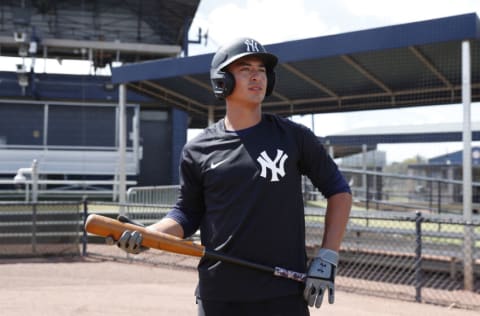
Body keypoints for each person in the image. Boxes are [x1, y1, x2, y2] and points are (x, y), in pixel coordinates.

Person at [114, 37, 352, 316]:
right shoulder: (197, 149)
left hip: (284, 293)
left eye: (261, 70)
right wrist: (148, 236)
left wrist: (327, 257)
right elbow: (186, 214)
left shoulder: (294, 137)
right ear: (222, 82)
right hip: (219, 297)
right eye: (244, 69)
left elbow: (339, 192)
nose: (256, 76)